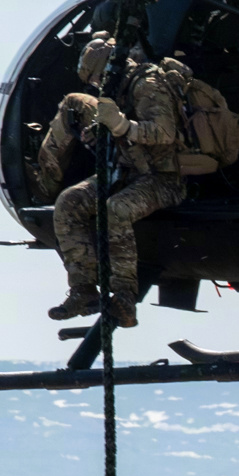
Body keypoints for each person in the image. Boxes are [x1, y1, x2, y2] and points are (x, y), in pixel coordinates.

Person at [42, 34, 193, 329]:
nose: (96, 86)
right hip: (126, 172)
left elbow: (164, 133)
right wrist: (100, 132)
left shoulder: (148, 85)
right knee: (69, 202)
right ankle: (83, 290)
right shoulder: (117, 91)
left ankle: (124, 297)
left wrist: (121, 125)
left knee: (116, 210)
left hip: (163, 179)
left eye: (97, 79)